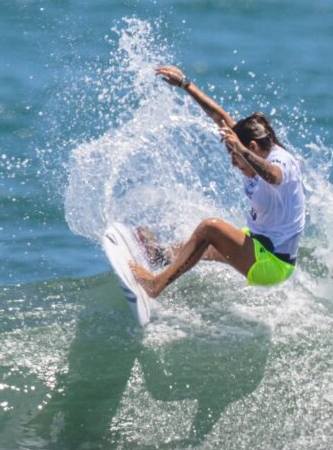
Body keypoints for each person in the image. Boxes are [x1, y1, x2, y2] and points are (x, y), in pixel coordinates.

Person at [129, 65, 305, 298]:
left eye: (235, 157)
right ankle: (159, 256)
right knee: (204, 246)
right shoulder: (253, 146)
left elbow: (273, 175)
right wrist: (185, 84)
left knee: (210, 228)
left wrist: (241, 150)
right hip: (260, 242)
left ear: (251, 147)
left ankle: (155, 285)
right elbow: (221, 117)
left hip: (273, 264)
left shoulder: (282, 162)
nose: (234, 163)